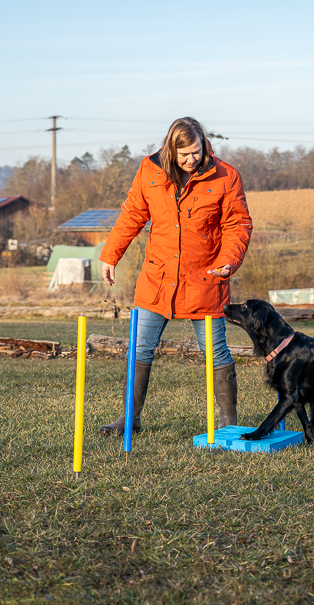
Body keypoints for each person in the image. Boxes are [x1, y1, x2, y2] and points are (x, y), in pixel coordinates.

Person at [98, 117, 253, 436]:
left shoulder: (226, 175)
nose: (191, 159)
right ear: (170, 149)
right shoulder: (149, 170)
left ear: (204, 145)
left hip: (206, 279)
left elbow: (237, 225)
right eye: (184, 154)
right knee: (139, 349)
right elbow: (132, 214)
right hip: (157, 279)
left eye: (196, 152)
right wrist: (111, 255)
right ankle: (129, 419)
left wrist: (228, 262)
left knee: (216, 352)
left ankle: (228, 423)